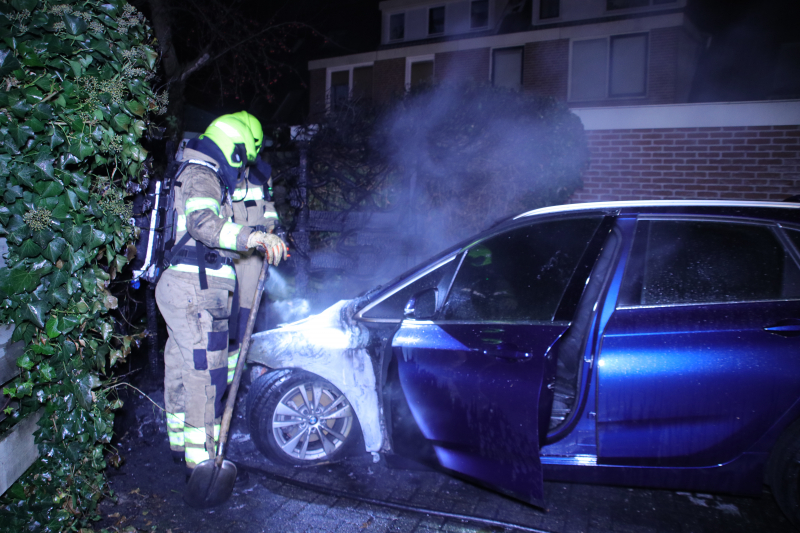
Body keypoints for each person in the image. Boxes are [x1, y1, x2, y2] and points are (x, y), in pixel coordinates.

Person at [155, 113, 287, 475]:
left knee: (183, 366)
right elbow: (203, 225)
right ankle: (202, 468)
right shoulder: (202, 176)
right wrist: (252, 237)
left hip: (187, 288)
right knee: (204, 375)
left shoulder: (197, 171)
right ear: (234, 149)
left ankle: (180, 444)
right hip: (193, 291)